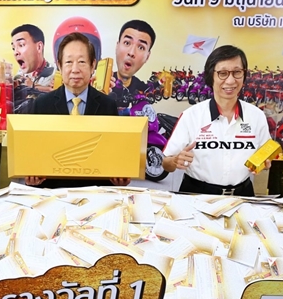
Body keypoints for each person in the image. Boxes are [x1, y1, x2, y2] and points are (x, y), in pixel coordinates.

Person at [162, 45, 271, 195]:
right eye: (223, 73)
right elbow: (166, 163)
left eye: (237, 72)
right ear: (210, 76)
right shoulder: (191, 116)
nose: (230, 81)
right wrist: (175, 161)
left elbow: (266, 155)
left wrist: (265, 162)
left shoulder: (256, 116)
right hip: (196, 195)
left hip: (243, 195)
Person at [24, 32, 129, 189]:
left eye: (81, 62)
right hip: (54, 192)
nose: (75, 69)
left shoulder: (108, 105)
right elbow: (34, 152)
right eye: (68, 62)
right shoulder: (41, 105)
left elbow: (114, 153)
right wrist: (32, 175)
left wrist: (119, 176)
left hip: (95, 193)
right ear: (59, 66)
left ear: (93, 65)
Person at [110, 19, 156, 110]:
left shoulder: (142, 89)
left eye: (141, 47)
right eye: (127, 43)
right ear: (117, 46)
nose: (131, 53)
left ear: (147, 56)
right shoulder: (99, 86)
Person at [11, 24, 55, 113]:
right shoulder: (18, 77)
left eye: (21, 45)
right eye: (13, 48)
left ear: (39, 47)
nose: (16, 52)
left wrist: (34, 86)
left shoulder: (56, 73)